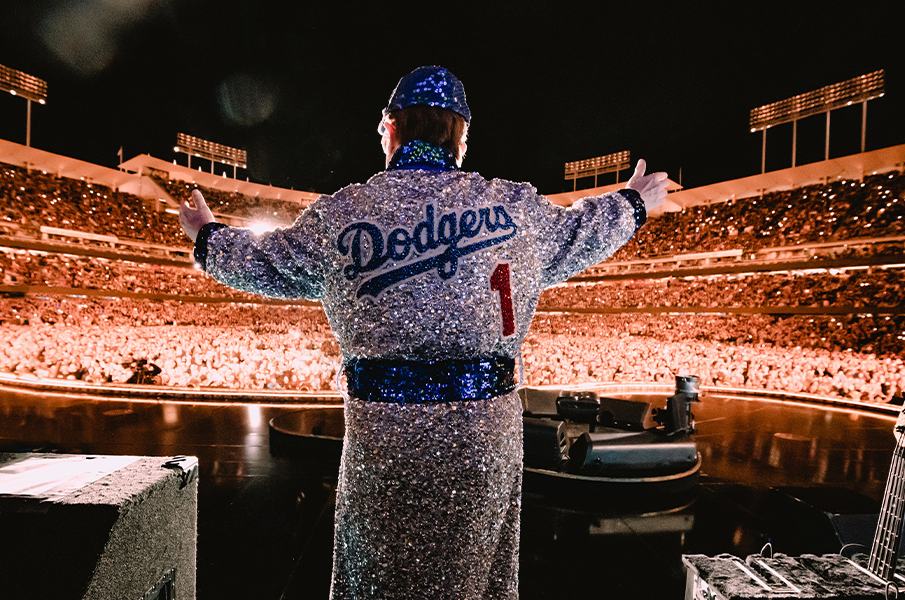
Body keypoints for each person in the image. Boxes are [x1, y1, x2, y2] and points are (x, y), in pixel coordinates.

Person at [178, 65, 668, 600]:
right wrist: (633, 202)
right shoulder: (514, 209)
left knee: (381, 573)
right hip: (484, 435)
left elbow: (264, 262)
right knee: (476, 574)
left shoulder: (344, 216)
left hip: (382, 433)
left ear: (388, 129)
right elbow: (583, 228)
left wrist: (208, 237)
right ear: (462, 138)